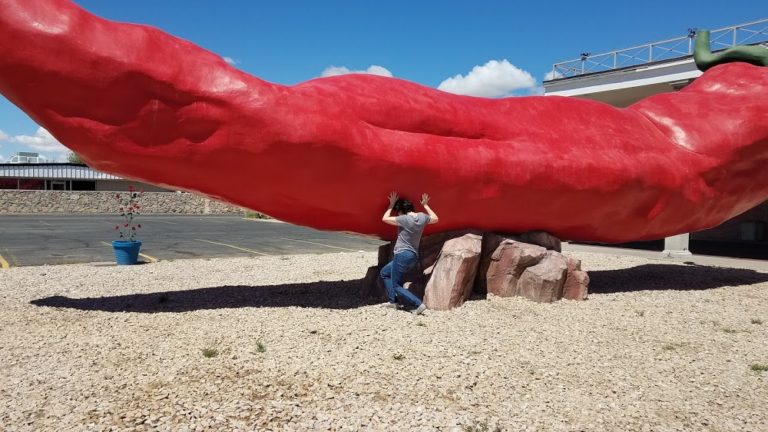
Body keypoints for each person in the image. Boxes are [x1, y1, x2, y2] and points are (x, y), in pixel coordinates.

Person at [380, 191, 439, 315]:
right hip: (412, 256)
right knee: (385, 273)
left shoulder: (404, 219)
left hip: (402, 254)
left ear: (401, 211)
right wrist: (426, 205)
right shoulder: (422, 217)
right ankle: (393, 302)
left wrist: (391, 204)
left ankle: (419, 304)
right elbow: (435, 219)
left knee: (396, 285)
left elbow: (384, 218)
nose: (398, 214)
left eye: (398, 211)